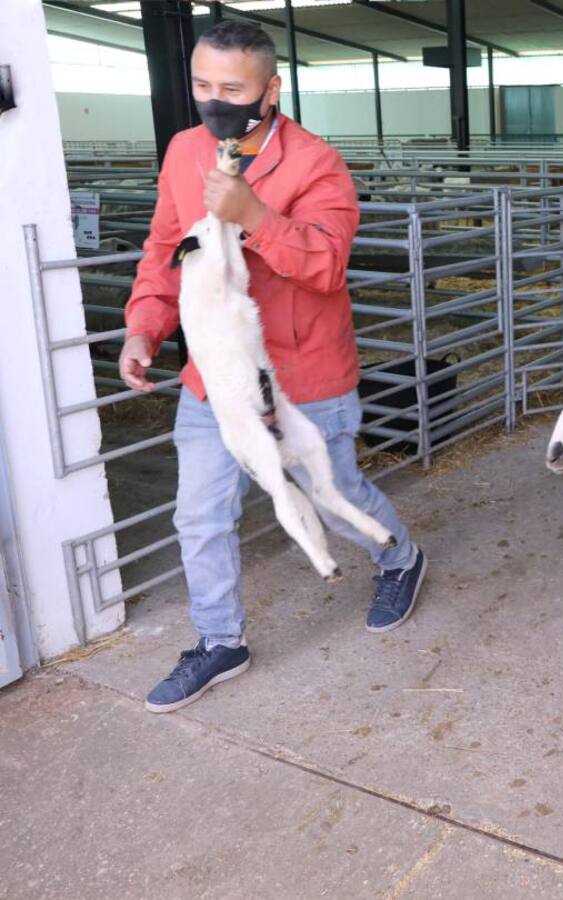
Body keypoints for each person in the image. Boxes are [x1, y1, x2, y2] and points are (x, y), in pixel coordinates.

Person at [119, 21, 425, 713]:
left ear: (271, 88)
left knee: (332, 494)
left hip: (303, 372)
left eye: (232, 88)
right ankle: (220, 641)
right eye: (202, 85)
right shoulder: (183, 153)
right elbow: (167, 248)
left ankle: (400, 557)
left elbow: (326, 266)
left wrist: (253, 211)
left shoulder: (316, 163)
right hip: (216, 374)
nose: (213, 100)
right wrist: (145, 327)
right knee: (199, 515)